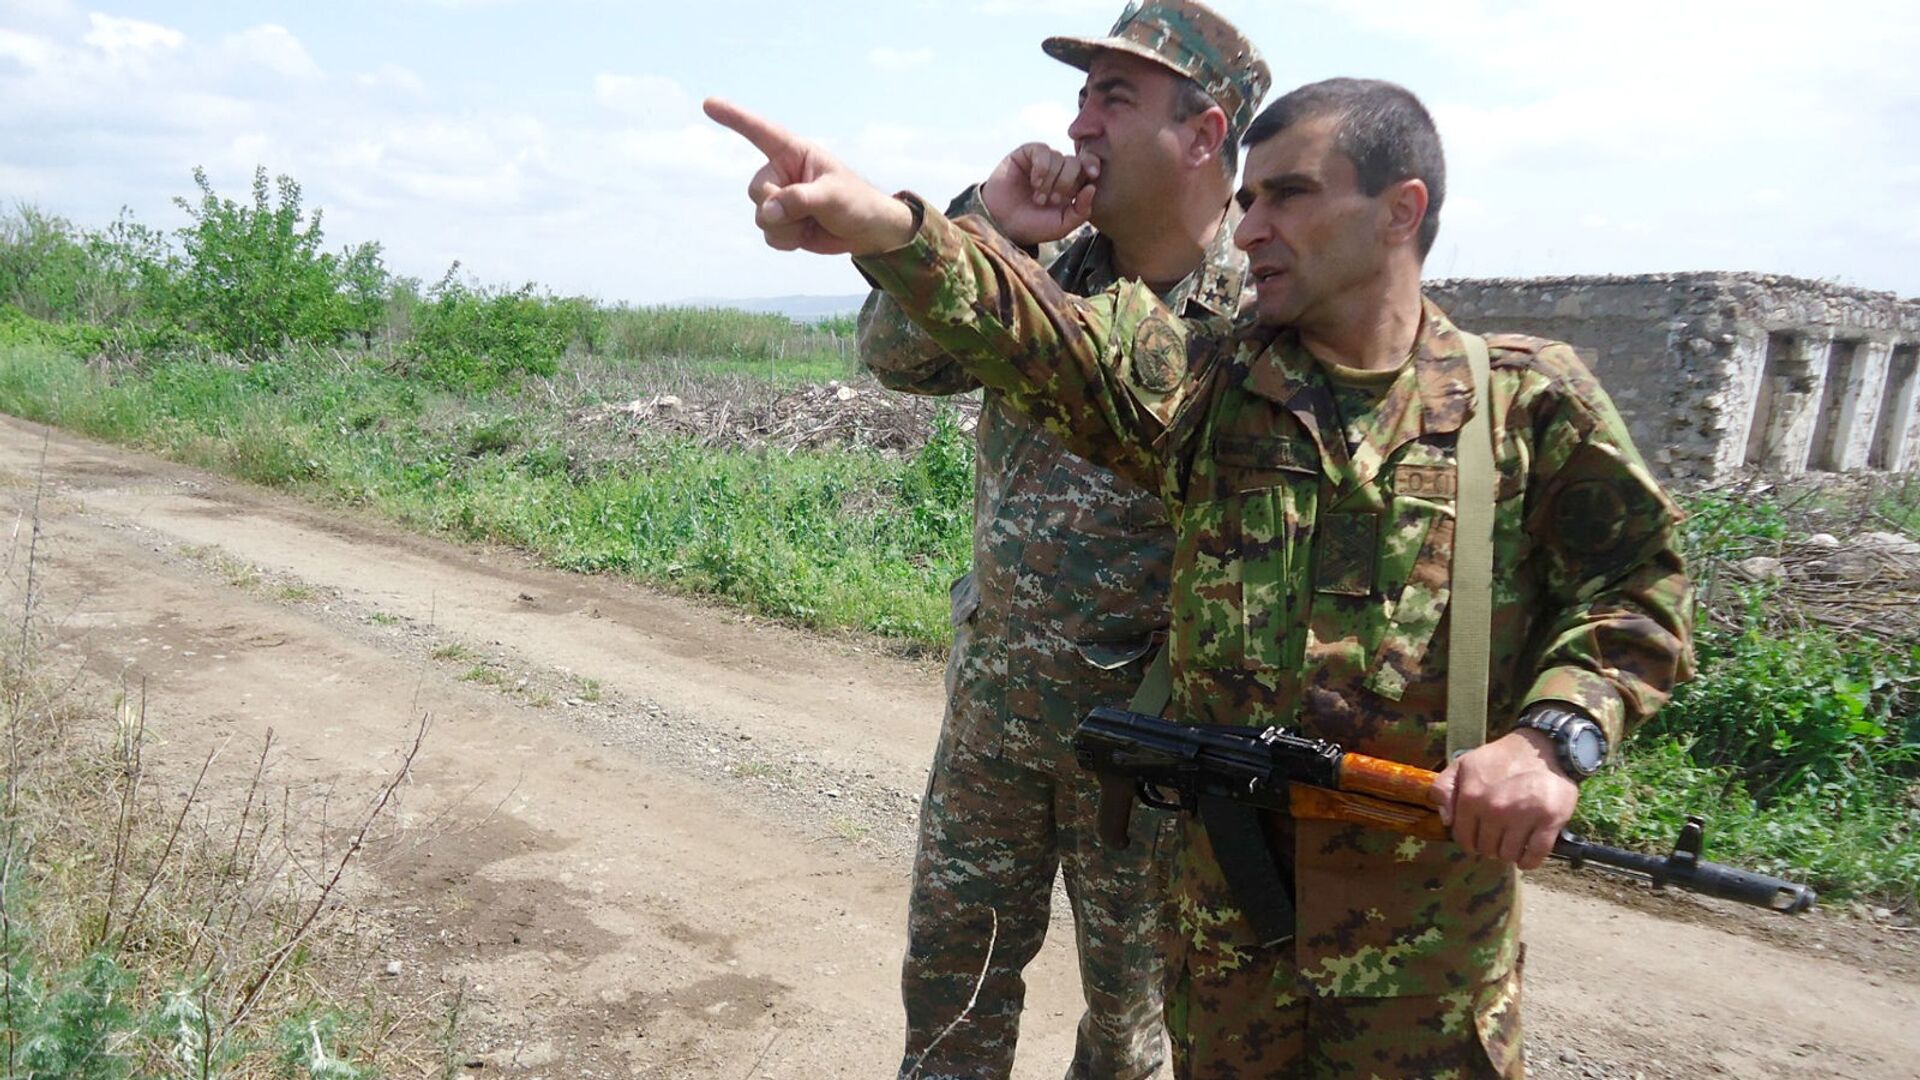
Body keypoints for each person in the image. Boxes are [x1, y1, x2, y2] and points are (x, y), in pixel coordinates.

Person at [707, 72, 1692, 1079]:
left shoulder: (1521, 404)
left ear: (1402, 211)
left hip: (1423, 957)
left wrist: (1553, 737)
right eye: (1249, 197)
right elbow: (1038, 334)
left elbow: (1637, 585)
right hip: (1231, 959)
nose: (1253, 222)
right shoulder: (1213, 384)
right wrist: (893, 226)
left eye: (1289, 194)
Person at [854, 3, 1268, 1078]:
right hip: (996, 713)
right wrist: (987, 219)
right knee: (951, 984)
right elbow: (895, 352)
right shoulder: (1047, 273)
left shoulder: (1259, 312)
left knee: (1128, 1029)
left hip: (1144, 749)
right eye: (1082, 94)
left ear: (1205, 133)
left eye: (1112, 98)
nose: (1079, 123)